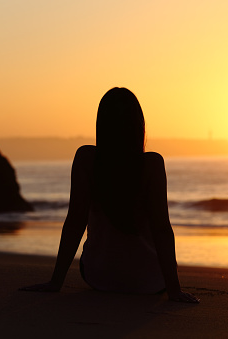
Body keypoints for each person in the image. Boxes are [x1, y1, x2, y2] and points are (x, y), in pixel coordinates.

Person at [20, 87, 199, 303]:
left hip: (99, 276)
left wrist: (55, 282)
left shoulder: (86, 158)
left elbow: (75, 222)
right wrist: (174, 291)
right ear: (138, 125)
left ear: (101, 124)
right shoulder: (152, 164)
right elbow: (162, 229)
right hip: (149, 281)